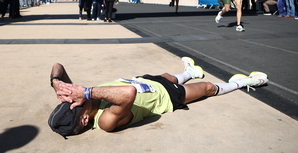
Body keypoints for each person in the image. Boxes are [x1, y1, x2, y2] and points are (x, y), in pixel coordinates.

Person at [48, 58, 268, 137]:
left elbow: (57, 65)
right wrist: (85, 92)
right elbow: (128, 95)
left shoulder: (82, 103)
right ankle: (242, 82)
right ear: (84, 119)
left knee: (168, 75)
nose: (73, 99)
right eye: (75, 103)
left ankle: (191, 72)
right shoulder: (104, 122)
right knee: (208, 87)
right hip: (165, 97)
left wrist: (57, 83)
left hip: (142, 80)